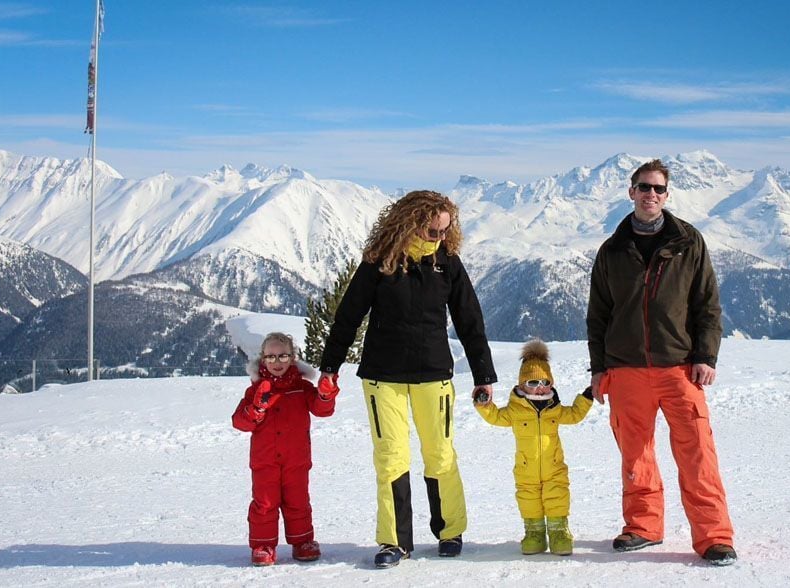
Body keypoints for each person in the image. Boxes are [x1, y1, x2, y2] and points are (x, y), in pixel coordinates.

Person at [318, 190, 497, 568]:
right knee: (390, 457)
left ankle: (450, 531)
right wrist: (330, 367)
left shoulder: (448, 263)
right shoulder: (379, 261)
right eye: (432, 231)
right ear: (410, 223)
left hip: (434, 374)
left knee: (440, 453)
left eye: (444, 231)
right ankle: (394, 541)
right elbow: (348, 315)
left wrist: (483, 374)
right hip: (383, 376)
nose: (439, 238)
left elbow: (469, 319)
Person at [586, 159, 737, 566]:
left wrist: (705, 355)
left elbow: (707, 304)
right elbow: (598, 315)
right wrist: (599, 368)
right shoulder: (612, 249)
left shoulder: (688, 242)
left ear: (667, 195)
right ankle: (643, 526)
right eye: (644, 187)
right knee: (635, 454)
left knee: (697, 453)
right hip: (625, 368)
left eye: (657, 188)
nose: (650, 194)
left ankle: (714, 537)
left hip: (679, 366)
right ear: (631, 192)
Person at [474, 339, 592, 556]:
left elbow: (574, 415)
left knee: (557, 496)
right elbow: (495, 417)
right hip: (526, 469)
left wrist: (587, 397)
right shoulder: (515, 411)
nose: (540, 388)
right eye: (533, 382)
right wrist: (483, 404)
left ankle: (559, 532)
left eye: (545, 382)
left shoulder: (554, 409)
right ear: (521, 385)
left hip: (554, 468)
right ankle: (534, 533)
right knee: (529, 500)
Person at [232, 332, 340, 566]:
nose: (277, 362)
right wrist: (256, 409)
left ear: (292, 357)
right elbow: (240, 422)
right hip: (265, 461)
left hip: (296, 460)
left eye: (282, 356)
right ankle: (263, 545)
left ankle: (303, 542)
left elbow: (322, 409)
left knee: (298, 501)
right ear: (263, 359)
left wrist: (325, 394)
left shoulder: (302, 387)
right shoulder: (256, 390)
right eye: (271, 357)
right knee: (265, 503)